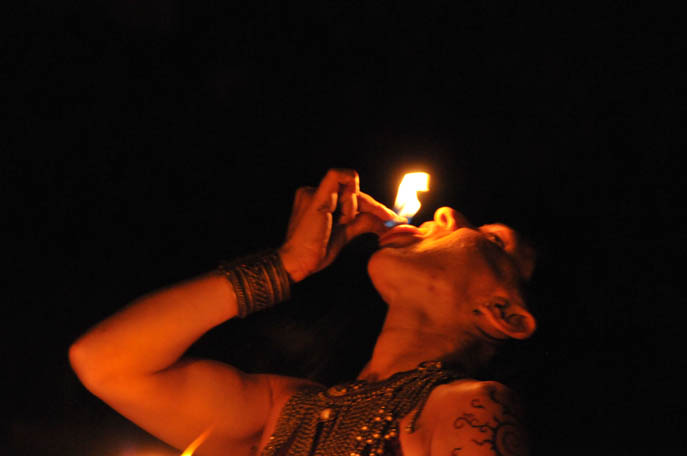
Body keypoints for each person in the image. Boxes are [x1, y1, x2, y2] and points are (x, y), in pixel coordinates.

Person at [69, 169, 537, 456]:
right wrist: (285, 265)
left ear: (504, 314)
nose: (447, 213)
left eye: (493, 239)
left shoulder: (472, 408)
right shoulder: (285, 412)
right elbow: (105, 362)